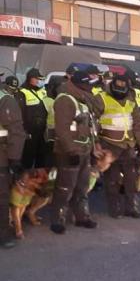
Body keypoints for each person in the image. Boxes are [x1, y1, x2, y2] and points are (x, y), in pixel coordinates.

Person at [50, 70, 98, 234]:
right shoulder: (65, 100)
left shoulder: (83, 100)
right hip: (69, 152)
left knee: (82, 186)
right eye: (88, 85)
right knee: (65, 187)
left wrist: (93, 147)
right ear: (80, 84)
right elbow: (62, 130)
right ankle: (58, 219)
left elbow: (90, 127)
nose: (90, 88)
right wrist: (71, 151)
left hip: (84, 150)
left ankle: (82, 216)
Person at [93, 74, 140, 219]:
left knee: (132, 178)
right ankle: (114, 208)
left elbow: (138, 122)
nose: (120, 90)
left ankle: (132, 208)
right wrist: (96, 142)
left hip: (128, 144)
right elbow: (93, 122)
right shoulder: (101, 98)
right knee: (112, 179)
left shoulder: (131, 99)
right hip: (109, 143)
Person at [0, 84, 26, 249]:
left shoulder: (4, 99)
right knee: (1, 197)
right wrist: (14, 158)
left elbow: (14, 132)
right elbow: (15, 131)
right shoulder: (5, 99)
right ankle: (3, 235)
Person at [18, 67, 49, 169]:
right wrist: (25, 131)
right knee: (28, 158)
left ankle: (39, 179)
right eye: (36, 79)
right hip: (30, 131)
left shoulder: (42, 91)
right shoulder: (22, 92)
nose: (38, 81)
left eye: (40, 79)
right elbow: (21, 113)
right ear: (30, 78)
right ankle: (25, 179)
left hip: (42, 129)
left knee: (41, 156)